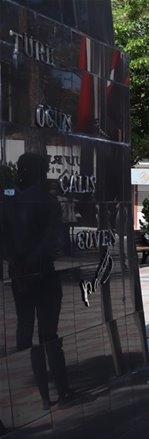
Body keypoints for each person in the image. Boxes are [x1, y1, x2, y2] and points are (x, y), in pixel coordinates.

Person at [2, 153, 71, 410]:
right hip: (42, 272)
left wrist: (16, 262)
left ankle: (42, 397)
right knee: (49, 334)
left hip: (18, 272)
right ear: (40, 171)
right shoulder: (47, 201)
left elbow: (5, 239)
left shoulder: (9, 200)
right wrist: (31, 261)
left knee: (25, 330)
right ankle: (62, 391)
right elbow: (51, 242)